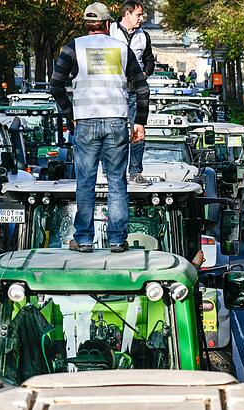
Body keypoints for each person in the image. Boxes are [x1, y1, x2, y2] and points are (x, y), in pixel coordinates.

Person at [50, 2, 149, 253]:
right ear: (107, 25)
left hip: (85, 122)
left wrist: (70, 113)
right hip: (117, 121)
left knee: (85, 181)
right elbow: (141, 86)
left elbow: (56, 84)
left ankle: (83, 239)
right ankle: (117, 239)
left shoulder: (74, 47)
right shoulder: (122, 48)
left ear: (87, 25)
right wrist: (140, 122)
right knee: (117, 182)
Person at [109, 0, 155, 184]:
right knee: (114, 132)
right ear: (127, 14)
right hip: (113, 91)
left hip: (136, 90)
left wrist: (145, 72)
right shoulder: (110, 31)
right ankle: (113, 171)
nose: (141, 19)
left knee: (138, 131)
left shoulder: (144, 36)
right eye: (138, 15)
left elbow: (149, 59)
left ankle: (135, 172)